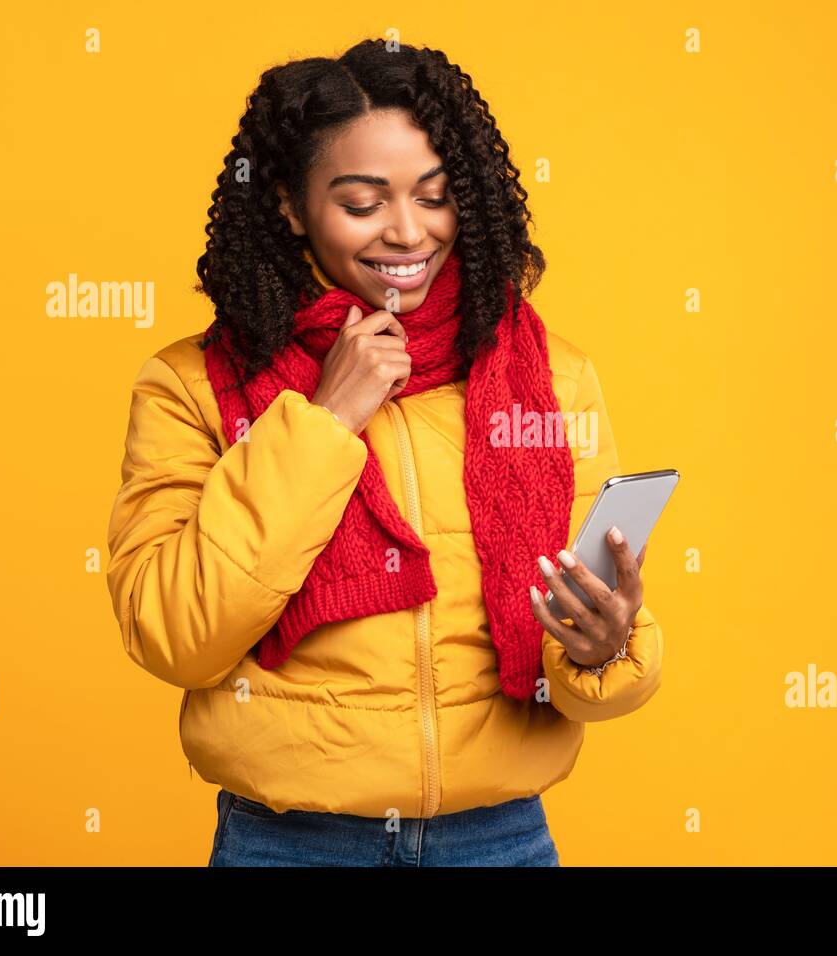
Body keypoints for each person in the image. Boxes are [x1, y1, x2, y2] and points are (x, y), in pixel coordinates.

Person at [105, 38, 665, 867]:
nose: (409, 232)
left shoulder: (548, 377)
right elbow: (174, 634)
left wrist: (606, 645)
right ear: (291, 206)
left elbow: (582, 645)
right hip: (290, 844)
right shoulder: (191, 386)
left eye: (436, 197)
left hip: (500, 838)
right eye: (363, 204)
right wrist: (325, 420)